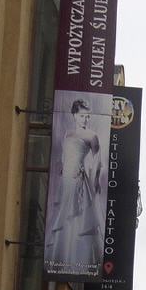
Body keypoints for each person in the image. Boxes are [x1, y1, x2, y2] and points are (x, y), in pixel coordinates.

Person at [48, 98, 104, 267]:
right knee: (64, 218)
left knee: (77, 219)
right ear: (74, 115)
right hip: (65, 179)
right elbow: (65, 156)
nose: (85, 119)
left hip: (78, 180)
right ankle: (61, 256)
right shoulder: (68, 134)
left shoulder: (92, 136)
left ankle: (75, 259)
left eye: (87, 116)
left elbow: (98, 161)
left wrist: (94, 180)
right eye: (81, 115)